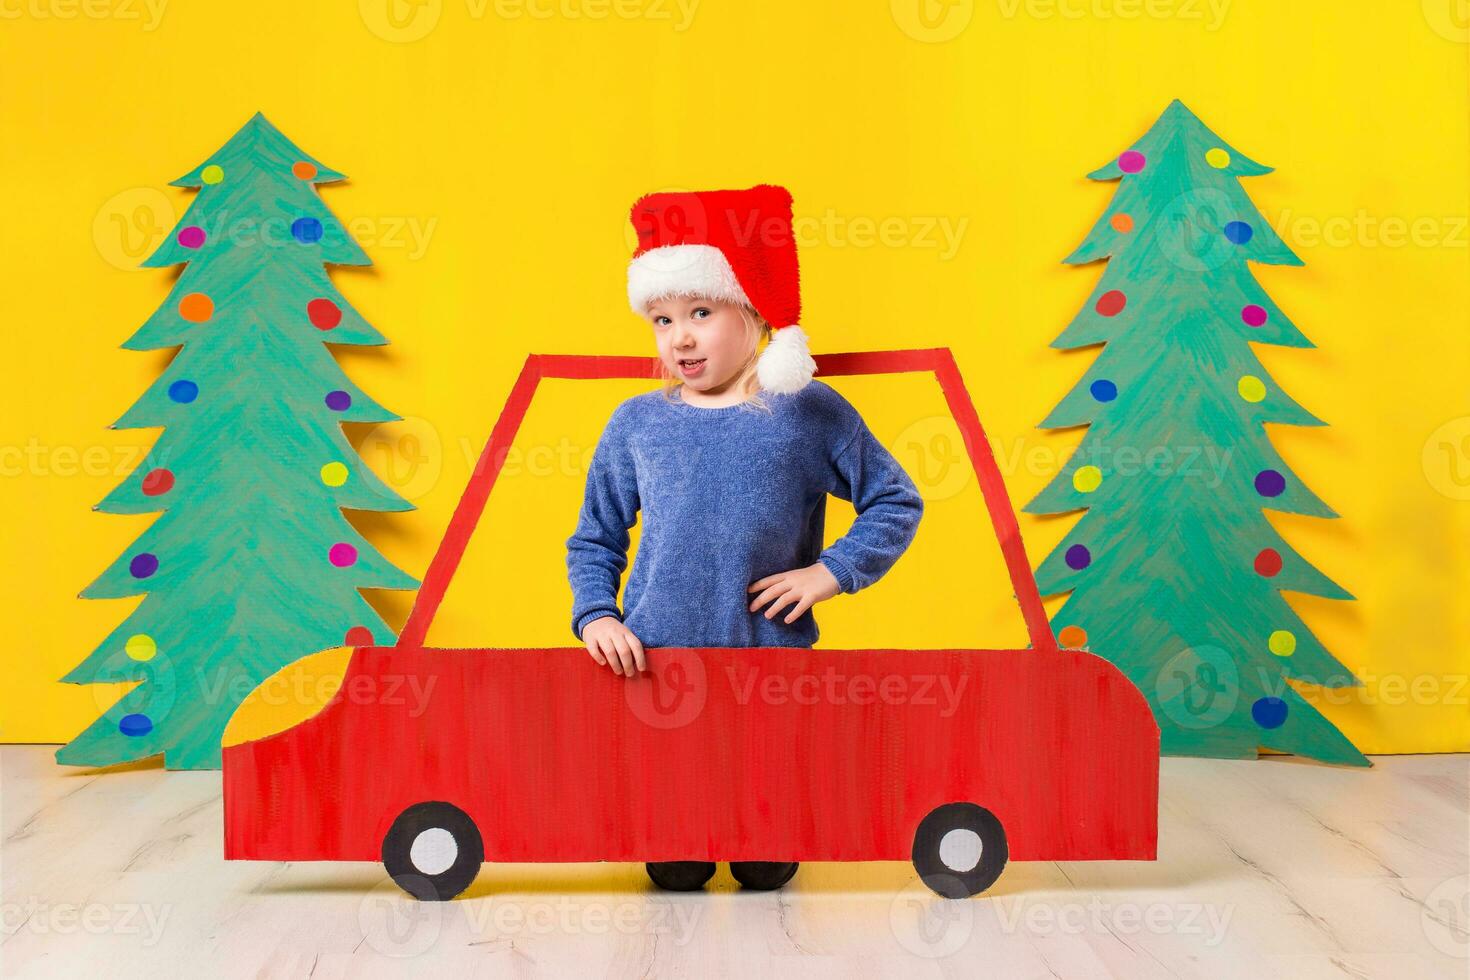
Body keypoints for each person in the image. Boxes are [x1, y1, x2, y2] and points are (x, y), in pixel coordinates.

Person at [565, 184, 924, 893]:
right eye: (663, 320)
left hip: (772, 666)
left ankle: (765, 855)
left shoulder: (805, 410)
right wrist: (596, 614)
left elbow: (895, 500)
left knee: (766, 865)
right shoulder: (636, 422)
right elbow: (595, 537)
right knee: (675, 866)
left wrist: (832, 571)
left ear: (753, 314)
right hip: (661, 669)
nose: (681, 338)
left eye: (700, 312)